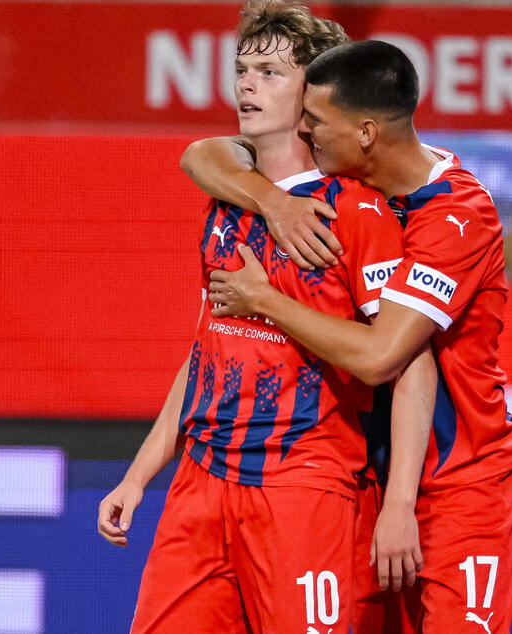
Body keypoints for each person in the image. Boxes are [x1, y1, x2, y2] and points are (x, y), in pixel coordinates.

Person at [98, 5, 433, 632]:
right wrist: (139, 476)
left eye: (271, 72)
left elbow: (411, 364)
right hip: (201, 484)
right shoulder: (229, 201)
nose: (247, 84)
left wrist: (400, 504)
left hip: (303, 488)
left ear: (313, 92)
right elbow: (208, 349)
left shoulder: (357, 214)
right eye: (242, 69)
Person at [190, 40, 512, 633]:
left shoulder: (457, 217)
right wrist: (271, 201)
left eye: (315, 121)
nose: (302, 131)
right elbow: (202, 154)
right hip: (368, 483)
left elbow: (382, 358)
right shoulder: (359, 194)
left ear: (367, 132)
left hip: (460, 485)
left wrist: (261, 299)